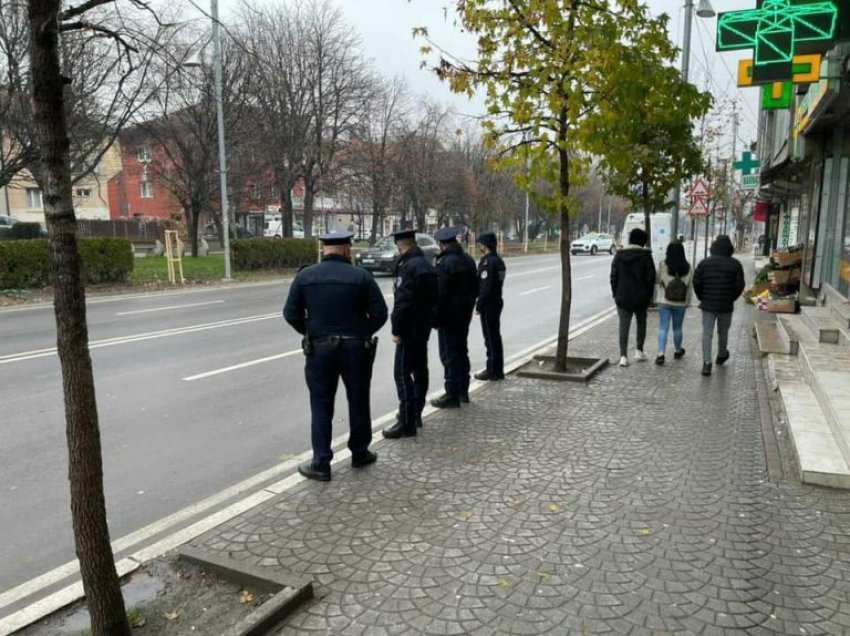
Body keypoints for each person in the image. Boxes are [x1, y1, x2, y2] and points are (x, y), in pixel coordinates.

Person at [283, 231, 388, 481]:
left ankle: (321, 464)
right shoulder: (361, 276)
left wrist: (310, 331)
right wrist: (361, 332)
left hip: (319, 350)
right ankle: (360, 453)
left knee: (321, 405)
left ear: (324, 250)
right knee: (359, 400)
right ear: (346, 249)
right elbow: (380, 313)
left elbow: (290, 313)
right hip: (355, 349)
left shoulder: (305, 276)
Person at [382, 229, 438, 439]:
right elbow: (434, 299)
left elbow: (402, 302)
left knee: (402, 374)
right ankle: (416, 413)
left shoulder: (409, 267)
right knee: (420, 370)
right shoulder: (427, 266)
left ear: (400, 246)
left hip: (409, 330)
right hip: (423, 328)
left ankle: (406, 422)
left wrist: (397, 330)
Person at [431, 226, 478, 408]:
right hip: (463, 314)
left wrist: (435, 316)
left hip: (448, 316)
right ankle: (463, 390)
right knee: (461, 351)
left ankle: (451, 393)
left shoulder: (445, 263)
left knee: (449, 354)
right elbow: (475, 288)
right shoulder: (468, 260)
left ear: (442, 244)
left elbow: (440, 294)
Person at [693, 235, 745, 377]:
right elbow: (740, 285)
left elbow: (696, 282)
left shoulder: (704, 263)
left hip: (708, 305)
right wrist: (731, 298)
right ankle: (722, 355)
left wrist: (701, 297)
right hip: (726, 305)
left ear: (713, 248)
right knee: (723, 332)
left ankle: (706, 363)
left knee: (707, 333)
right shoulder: (735, 264)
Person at [610, 227, 656, 368]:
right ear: (642, 242)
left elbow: (613, 277)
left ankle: (623, 356)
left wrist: (616, 294)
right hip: (641, 297)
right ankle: (639, 351)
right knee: (641, 323)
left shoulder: (619, 256)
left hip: (623, 297)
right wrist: (648, 296)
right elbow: (651, 278)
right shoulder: (646, 256)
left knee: (624, 326)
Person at [654, 241, 693, 365]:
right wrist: (688, 302)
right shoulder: (688, 268)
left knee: (663, 327)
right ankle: (677, 350)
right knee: (677, 328)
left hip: (664, 301)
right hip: (680, 303)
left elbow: (658, 280)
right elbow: (689, 287)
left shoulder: (663, 265)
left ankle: (661, 354)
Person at [474, 231, 506, 381]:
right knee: (495, 337)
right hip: (496, 301)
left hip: (489, 304)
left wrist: (479, 305)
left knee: (490, 338)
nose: (478, 246)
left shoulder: (488, 262)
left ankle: (492, 369)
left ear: (485, 245)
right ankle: (497, 369)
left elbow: (485, 287)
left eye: (480, 243)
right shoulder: (498, 261)